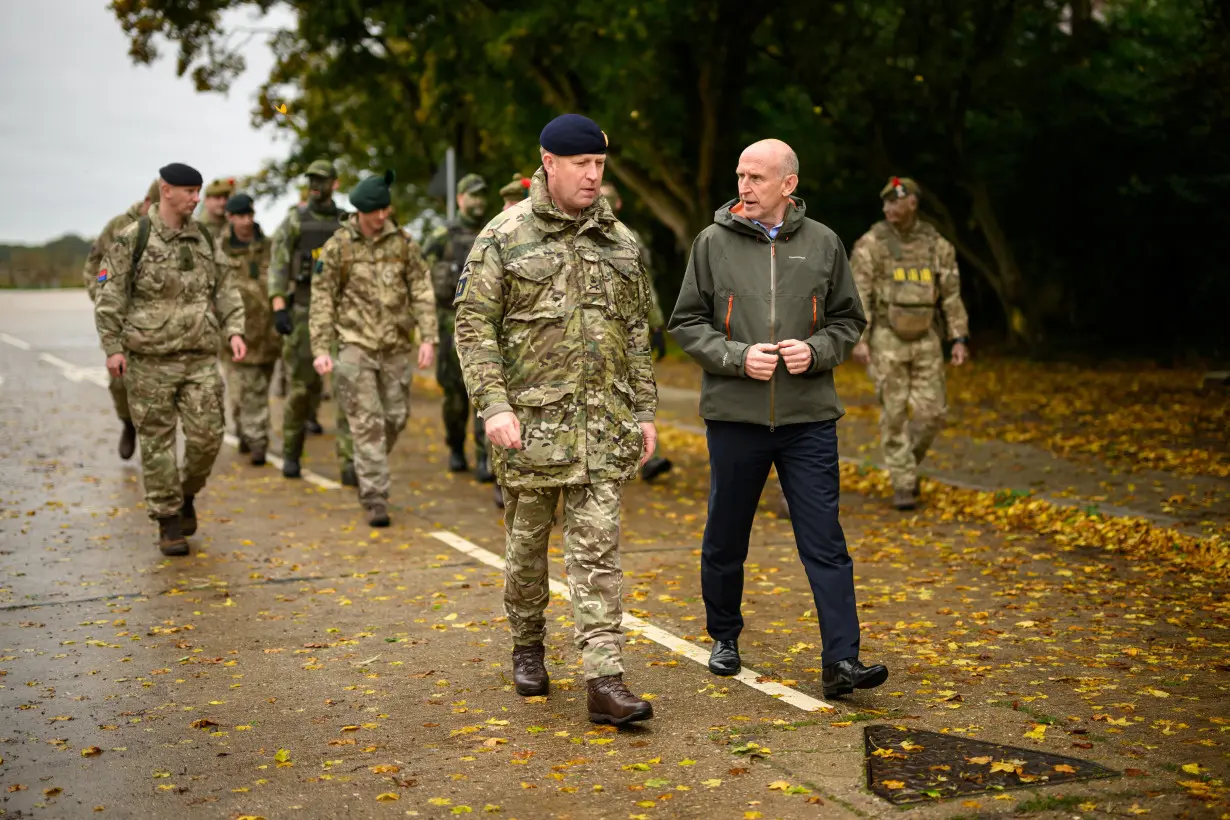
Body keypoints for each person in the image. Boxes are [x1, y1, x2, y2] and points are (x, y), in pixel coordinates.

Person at [455, 114, 658, 726]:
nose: (594, 176)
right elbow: (473, 328)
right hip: (532, 429)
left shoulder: (620, 242)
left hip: (603, 427)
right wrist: (494, 406)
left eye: (600, 165)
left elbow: (636, 333)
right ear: (549, 163)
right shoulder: (503, 236)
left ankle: (604, 678)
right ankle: (527, 643)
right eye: (581, 165)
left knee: (598, 552)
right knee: (526, 550)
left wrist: (645, 411)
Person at [668, 139, 888, 699]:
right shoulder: (711, 243)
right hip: (736, 416)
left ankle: (843, 660)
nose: (743, 186)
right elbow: (687, 322)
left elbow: (846, 320)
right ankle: (724, 636)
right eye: (740, 174)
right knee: (726, 536)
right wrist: (738, 357)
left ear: (788, 184)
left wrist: (816, 351)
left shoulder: (824, 243)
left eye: (757, 177)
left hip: (809, 417)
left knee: (825, 542)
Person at [93, 163, 247, 556]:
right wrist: (112, 347)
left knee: (208, 437)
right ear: (166, 191)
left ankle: (186, 492)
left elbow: (226, 286)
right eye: (190, 191)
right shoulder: (132, 238)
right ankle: (168, 522)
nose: (197, 198)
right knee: (158, 444)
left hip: (199, 357)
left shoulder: (205, 240)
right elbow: (110, 296)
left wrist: (234, 329)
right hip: (149, 361)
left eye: (198, 191)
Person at [310, 170, 437, 527]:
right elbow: (322, 299)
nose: (382, 217)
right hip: (355, 346)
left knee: (395, 418)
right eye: (375, 211)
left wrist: (428, 337)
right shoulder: (339, 247)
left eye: (385, 209)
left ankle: (364, 461)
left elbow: (422, 291)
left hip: (396, 346)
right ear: (360, 211)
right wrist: (321, 347)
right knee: (367, 424)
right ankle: (375, 497)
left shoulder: (404, 244)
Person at [850, 177, 970, 510]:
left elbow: (951, 294)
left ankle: (903, 466)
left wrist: (958, 337)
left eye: (895, 202)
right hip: (886, 337)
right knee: (894, 413)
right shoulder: (871, 244)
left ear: (912, 203)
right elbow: (859, 294)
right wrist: (860, 339)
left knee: (933, 413)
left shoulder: (936, 245)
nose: (888, 209)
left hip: (927, 338)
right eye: (885, 203)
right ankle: (903, 483)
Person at [269, 159, 354, 484]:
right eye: (311, 180)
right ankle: (292, 451)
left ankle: (349, 463)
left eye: (321, 180)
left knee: (346, 389)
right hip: (303, 311)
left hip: (340, 314)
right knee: (302, 390)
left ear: (334, 183)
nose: (315, 185)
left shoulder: (344, 222)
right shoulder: (294, 221)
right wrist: (279, 307)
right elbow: (277, 266)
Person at [600, 181, 673, 482]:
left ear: (617, 205)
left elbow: (645, 286)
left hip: (627, 332)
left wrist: (655, 325)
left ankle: (646, 455)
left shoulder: (628, 239)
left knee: (634, 394)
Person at [422, 173, 494, 481]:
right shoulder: (441, 237)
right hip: (448, 323)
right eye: (472, 195)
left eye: (482, 195)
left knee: (485, 391)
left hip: (485, 324)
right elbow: (420, 281)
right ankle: (455, 447)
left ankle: (484, 458)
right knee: (453, 395)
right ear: (460, 199)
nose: (478, 202)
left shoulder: (494, 232)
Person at [82, 178, 160, 461]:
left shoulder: (168, 228)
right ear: (148, 202)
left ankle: (155, 439)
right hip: (122, 319)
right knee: (119, 382)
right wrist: (103, 297)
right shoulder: (118, 227)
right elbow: (93, 267)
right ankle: (128, 423)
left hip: (156, 321)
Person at [217, 193, 279, 464]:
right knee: (243, 388)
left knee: (258, 389)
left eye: (250, 215)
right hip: (233, 335)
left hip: (268, 333)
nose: (246, 221)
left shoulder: (269, 247)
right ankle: (257, 441)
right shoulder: (218, 249)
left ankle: (246, 430)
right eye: (240, 216)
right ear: (230, 217)